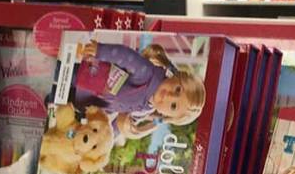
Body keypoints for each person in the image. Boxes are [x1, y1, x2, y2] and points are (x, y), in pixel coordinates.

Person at [75, 40, 206, 145]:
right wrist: (101, 51)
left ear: (166, 115)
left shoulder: (145, 110)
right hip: (87, 75)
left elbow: (118, 126)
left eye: (173, 106)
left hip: (88, 103)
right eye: (177, 89)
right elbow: (127, 57)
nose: (169, 96)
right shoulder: (148, 74)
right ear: (175, 76)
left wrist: (105, 140)